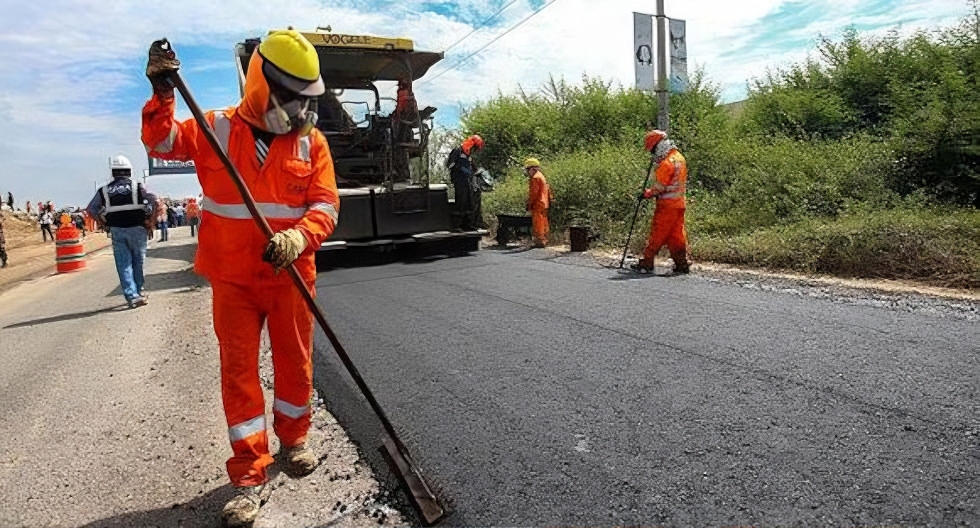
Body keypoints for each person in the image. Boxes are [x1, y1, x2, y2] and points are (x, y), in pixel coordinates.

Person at [143, 32, 340, 526]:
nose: (298, 108)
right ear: (260, 83)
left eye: (305, 98)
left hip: (290, 275)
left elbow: (326, 205)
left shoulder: (309, 141)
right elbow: (161, 142)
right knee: (239, 373)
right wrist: (164, 94)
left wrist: (299, 237)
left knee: (295, 363)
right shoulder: (216, 129)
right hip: (232, 279)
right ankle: (249, 474)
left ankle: (294, 440)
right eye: (290, 96)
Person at [87, 155, 157, 307]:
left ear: (113, 172)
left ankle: (132, 296)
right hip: (138, 229)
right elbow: (155, 200)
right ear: (129, 171)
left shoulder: (104, 191)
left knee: (123, 264)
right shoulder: (138, 186)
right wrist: (151, 221)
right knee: (138, 262)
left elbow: (91, 209)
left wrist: (102, 223)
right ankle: (139, 291)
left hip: (117, 230)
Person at [633, 129, 690, 274]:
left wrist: (646, 194)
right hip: (679, 204)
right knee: (676, 236)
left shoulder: (666, 164)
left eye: (652, 150)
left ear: (657, 146)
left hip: (667, 206)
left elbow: (659, 188)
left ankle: (647, 262)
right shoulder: (679, 158)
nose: (652, 154)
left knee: (657, 234)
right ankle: (681, 264)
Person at [447, 134, 485, 231]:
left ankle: (467, 224)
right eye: (475, 148)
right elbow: (450, 165)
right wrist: (459, 167)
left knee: (469, 201)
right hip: (458, 180)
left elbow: (473, 169)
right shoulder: (457, 151)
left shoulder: (468, 156)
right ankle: (456, 225)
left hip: (467, 180)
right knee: (461, 200)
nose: (475, 150)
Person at [523, 158, 551, 248]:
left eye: (528, 170)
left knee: (538, 223)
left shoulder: (535, 178)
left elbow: (533, 194)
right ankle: (545, 240)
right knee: (543, 223)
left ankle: (540, 242)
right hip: (544, 203)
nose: (527, 172)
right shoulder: (541, 176)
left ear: (533, 169)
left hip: (538, 204)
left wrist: (529, 204)